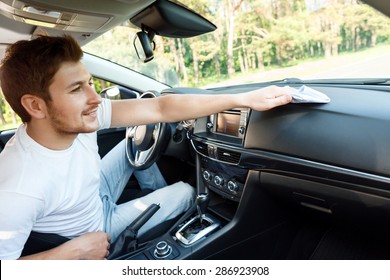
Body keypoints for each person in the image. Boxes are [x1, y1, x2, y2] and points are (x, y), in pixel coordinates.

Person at [0, 35, 293, 260]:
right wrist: (71, 253)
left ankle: (151, 197)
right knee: (185, 192)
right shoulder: (19, 187)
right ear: (35, 105)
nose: (96, 98)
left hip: (91, 194)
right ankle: (159, 203)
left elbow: (160, 107)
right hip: (95, 227)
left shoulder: (80, 116)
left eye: (90, 84)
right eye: (77, 89)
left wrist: (244, 98)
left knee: (134, 137)